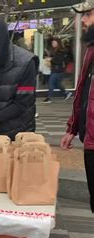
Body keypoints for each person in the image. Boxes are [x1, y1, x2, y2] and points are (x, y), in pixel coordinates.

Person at [61, 0, 94, 212]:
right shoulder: (90, 49)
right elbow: (83, 91)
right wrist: (72, 128)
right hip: (90, 139)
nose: (83, 20)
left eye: (89, 14)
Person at [43, 38, 72, 103]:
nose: (52, 44)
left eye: (54, 43)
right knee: (57, 84)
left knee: (51, 83)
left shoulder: (61, 51)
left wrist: (51, 59)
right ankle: (66, 93)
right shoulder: (55, 50)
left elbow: (58, 60)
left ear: (58, 43)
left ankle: (49, 98)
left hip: (58, 70)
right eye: (52, 43)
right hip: (56, 69)